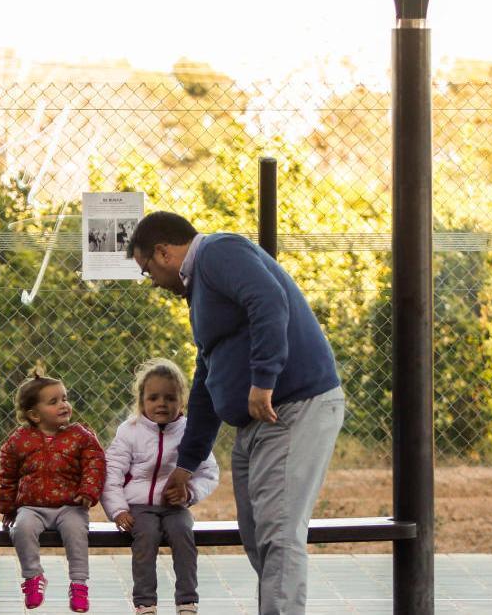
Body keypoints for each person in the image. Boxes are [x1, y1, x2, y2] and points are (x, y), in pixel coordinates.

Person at [126, 211, 345, 615]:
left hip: (293, 407)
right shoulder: (201, 291)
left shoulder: (219, 252)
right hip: (258, 421)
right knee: (257, 533)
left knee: (279, 533)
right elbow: (208, 375)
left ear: (164, 251)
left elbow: (268, 300)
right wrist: (187, 463)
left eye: (147, 270)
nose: (153, 281)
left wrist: (264, 380)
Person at [102, 358, 219, 615]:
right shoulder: (129, 431)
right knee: (146, 537)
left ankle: (187, 601)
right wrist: (118, 510)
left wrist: (189, 493)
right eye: (153, 397)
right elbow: (111, 473)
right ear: (141, 400)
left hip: (174, 507)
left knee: (183, 535)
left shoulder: (190, 432)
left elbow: (209, 472)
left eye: (170, 397)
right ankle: (145, 604)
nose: (162, 404)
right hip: (138, 507)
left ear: (182, 400)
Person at [0, 375, 106, 612]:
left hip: (70, 506)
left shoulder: (80, 436)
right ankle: (33, 577)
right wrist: (8, 508)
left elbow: (95, 463)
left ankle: (79, 584)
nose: (63, 405)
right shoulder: (20, 441)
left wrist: (88, 490)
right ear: (34, 415)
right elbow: (8, 475)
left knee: (76, 531)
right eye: (54, 401)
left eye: (65, 399)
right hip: (32, 507)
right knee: (22, 529)